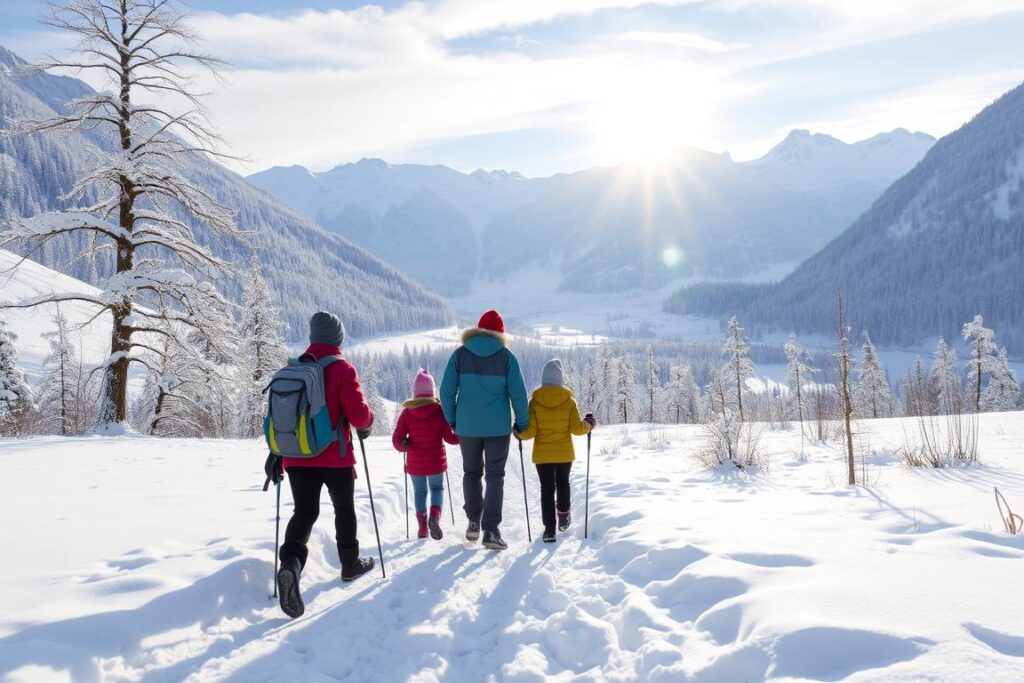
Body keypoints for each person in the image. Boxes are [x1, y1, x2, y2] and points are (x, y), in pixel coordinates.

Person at [264, 311, 376, 619]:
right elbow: (358, 415)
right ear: (338, 338)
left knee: (304, 512)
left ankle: (290, 565)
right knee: (344, 508)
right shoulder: (342, 369)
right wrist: (368, 422)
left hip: (296, 455)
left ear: (313, 337)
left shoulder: (294, 368)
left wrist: (276, 454)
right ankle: (350, 564)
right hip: (334, 455)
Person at [440, 309, 529, 550]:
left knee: (471, 473)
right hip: (497, 428)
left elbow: (446, 392)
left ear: (478, 330)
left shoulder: (459, 356)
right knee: (494, 476)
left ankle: (472, 523)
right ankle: (491, 530)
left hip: (467, 426)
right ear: (500, 333)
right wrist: (522, 423)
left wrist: (452, 419)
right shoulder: (506, 358)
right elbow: (519, 395)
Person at [514, 358, 596, 543]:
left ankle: (549, 530)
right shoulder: (569, 401)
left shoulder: (534, 402)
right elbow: (577, 428)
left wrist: (518, 432)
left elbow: (531, 431)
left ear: (543, 379)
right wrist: (590, 425)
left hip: (542, 456)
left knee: (547, 489)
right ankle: (564, 516)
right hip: (564, 454)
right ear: (560, 379)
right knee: (563, 483)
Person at [392, 369, 459, 540]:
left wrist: (404, 445)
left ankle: (423, 527)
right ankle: (434, 517)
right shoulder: (439, 410)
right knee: (437, 488)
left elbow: (396, 441)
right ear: (432, 391)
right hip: (436, 462)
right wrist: (461, 435)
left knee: (420, 492)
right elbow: (450, 438)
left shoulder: (407, 413)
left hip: (415, 463)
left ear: (415, 392)